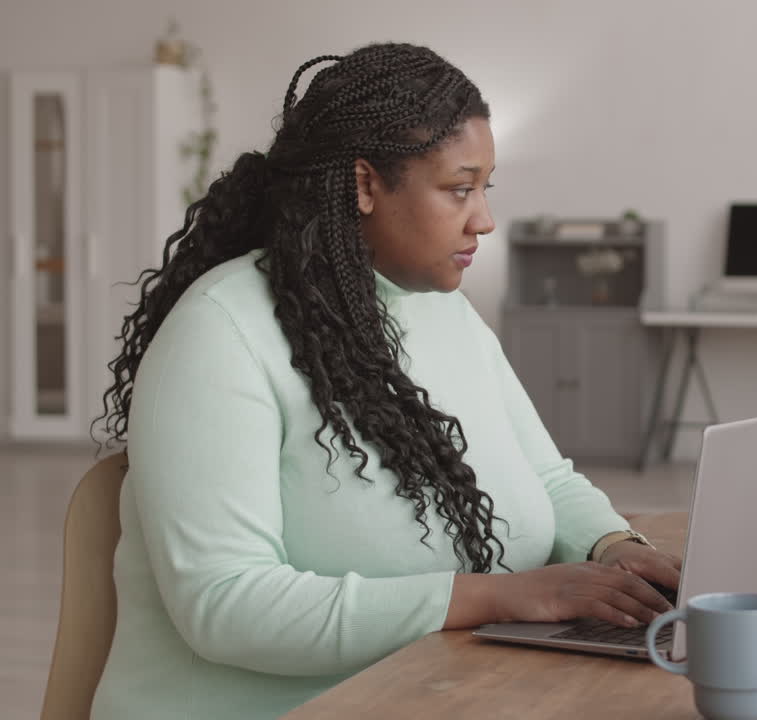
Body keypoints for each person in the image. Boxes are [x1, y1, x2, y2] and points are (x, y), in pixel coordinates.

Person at [89, 43, 681, 720]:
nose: (483, 218)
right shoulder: (220, 335)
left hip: (443, 690)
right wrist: (495, 596)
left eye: (486, 188)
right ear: (366, 184)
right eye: (460, 188)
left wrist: (616, 550)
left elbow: (544, 477)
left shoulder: (443, 310)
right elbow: (224, 606)